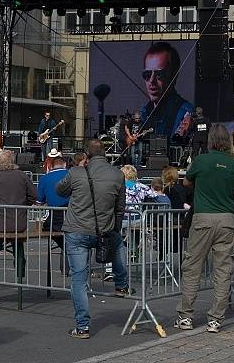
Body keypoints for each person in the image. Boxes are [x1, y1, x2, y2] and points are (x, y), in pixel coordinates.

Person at [175, 124, 234, 334]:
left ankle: (185, 316)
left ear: (210, 141)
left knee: (193, 267)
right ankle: (215, 319)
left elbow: (186, 182)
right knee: (223, 270)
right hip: (226, 219)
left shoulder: (201, 160)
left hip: (203, 217)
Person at [56, 139, 129, 339]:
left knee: (79, 280)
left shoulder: (76, 172)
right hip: (104, 230)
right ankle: (121, 284)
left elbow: (59, 190)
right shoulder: (117, 174)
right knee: (117, 244)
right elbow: (120, 208)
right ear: (105, 154)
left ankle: (82, 326)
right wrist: (113, 227)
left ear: (86, 155)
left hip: (77, 230)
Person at [0, 149, 37, 301]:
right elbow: (34, 195)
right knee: (18, 250)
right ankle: (19, 278)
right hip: (18, 222)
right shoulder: (22, 176)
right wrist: (23, 205)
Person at [138, 41, 194, 144]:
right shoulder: (143, 113)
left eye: (159, 74)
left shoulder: (185, 112)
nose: (151, 81)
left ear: (173, 76)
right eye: (147, 74)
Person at [36, 150, 69, 271]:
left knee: (60, 237)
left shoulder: (45, 178)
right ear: (64, 164)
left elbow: (39, 202)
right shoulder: (71, 175)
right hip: (73, 215)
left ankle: (65, 263)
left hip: (55, 218)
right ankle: (67, 264)